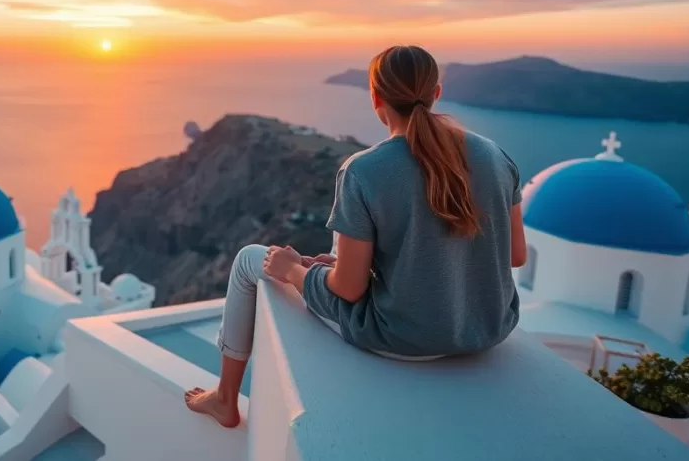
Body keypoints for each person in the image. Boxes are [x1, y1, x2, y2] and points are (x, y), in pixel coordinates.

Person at [185, 45, 527, 428]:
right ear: (436, 94)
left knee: (251, 257)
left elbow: (348, 290)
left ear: (375, 98)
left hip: (404, 339)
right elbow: (514, 255)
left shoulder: (363, 171)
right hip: (488, 328)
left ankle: (225, 399)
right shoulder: (496, 155)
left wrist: (295, 271)